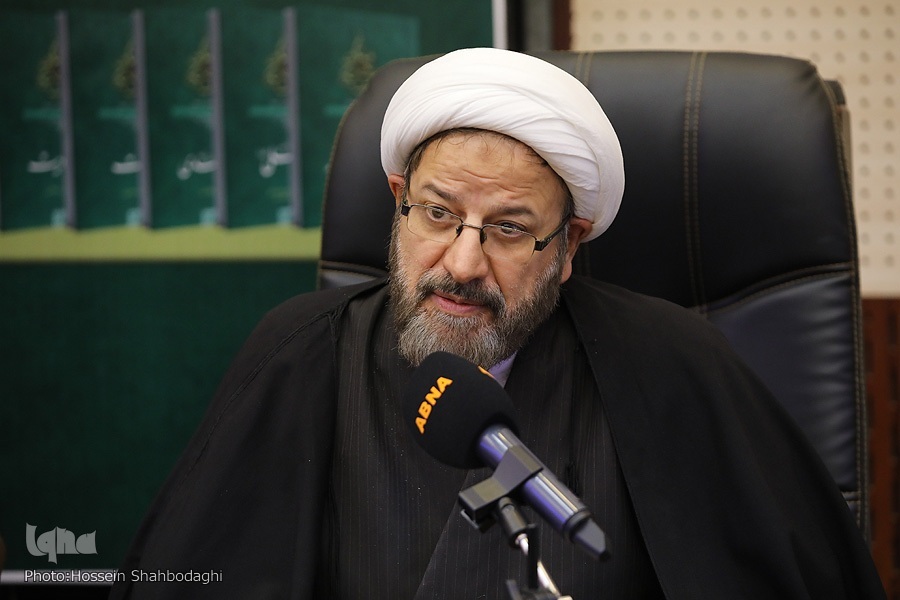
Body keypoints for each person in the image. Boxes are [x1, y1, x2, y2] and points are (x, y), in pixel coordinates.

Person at [110, 48, 885, 599]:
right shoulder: (300, 354)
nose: (462, 262)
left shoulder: (675, 363)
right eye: (437, 214)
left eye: (510, 229)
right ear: (398, 201)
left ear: (568, 245)